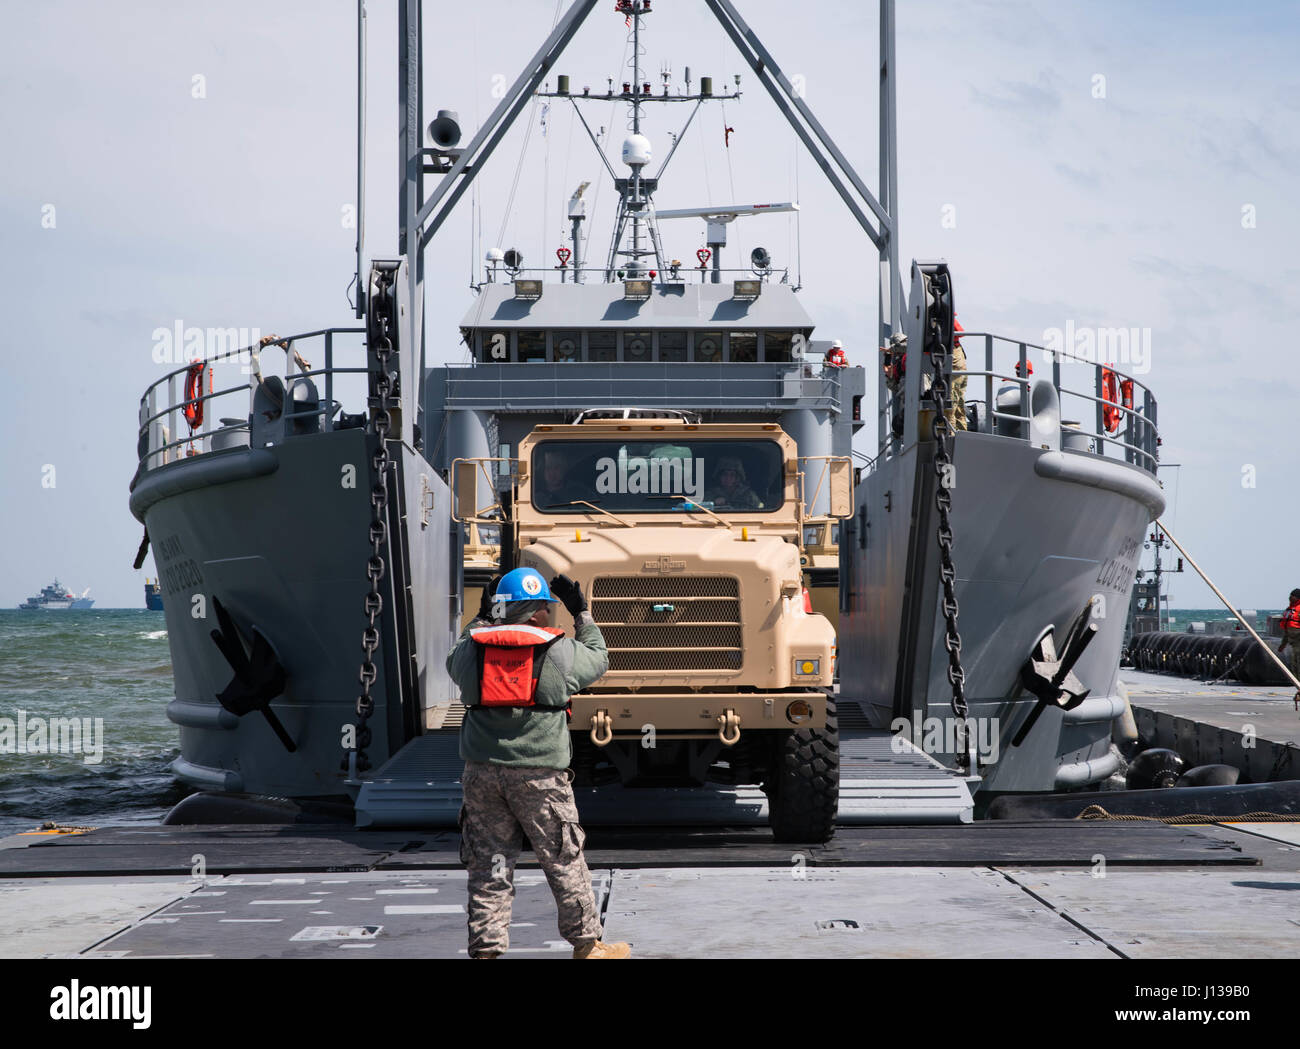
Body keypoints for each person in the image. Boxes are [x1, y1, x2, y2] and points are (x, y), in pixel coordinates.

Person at [446, 566, 630, 960]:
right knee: (563, 858)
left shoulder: (473, 647)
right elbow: (598, 659)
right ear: (538, 612)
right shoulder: (558, 649)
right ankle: (587, 946)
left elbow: (454, 658)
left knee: (490, 865)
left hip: (481, 775)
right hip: (539, 777)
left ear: (501, 609)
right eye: (547, 606)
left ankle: (487, 951)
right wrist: (581, 612)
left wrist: (480, 617)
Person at [1278, 588, 1300, 707]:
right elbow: (1287, 630)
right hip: (1293, 644)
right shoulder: (1290, 610)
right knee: (1295, 668)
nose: (1290, 598)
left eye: (1292, 596)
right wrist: (1283, 644)